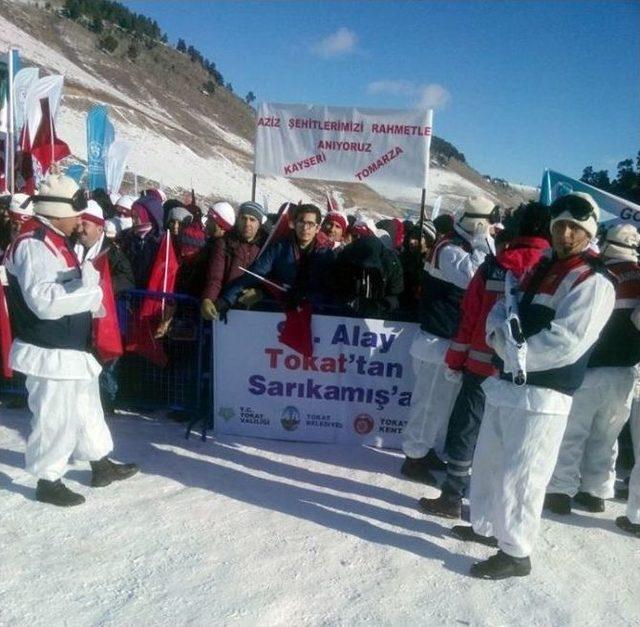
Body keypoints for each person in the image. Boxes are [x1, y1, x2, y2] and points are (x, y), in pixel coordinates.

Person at [454, 192, 615, 579]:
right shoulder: (539, 267)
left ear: (588, 232)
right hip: (507, 384)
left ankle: (516, 550)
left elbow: (568, 341)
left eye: (575, 228)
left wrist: (513, 354)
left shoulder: (594, 280)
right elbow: (501, 308)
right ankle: (489, 526)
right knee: (491, 461)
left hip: (545, 393)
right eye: (559, 225)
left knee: (523, 473)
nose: (565, 233)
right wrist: (496, 337)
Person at [4, 174, 138, 507]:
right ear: (56, 211)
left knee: (86, 408)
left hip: (70, 346)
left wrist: (86, 286)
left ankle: (99, 463)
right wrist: (91, 293)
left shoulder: (55, 239)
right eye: (76, 213)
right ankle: (48, 479)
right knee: (55, 417)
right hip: (48, 348)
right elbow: (44, 301)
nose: (81, 220)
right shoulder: (34, 244)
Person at [419, 202, 550, 517]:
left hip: (480, 366)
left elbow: (469, 317)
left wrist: (455, 359)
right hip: (528, 373)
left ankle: (452, 496)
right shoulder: (554, 270)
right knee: (509, 443)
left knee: (468, 431)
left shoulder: (493, 266)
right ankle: (494, 510)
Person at [545, 224, 640, 514]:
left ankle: (560, 491)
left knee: (572, 433)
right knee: (607, 436)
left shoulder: (596, 274)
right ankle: (596, 491)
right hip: (626, 372)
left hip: (591, 368)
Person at [400, 196, 497, 483]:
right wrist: (482, 240)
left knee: (439, 405)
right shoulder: (450, 249)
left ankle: (423, 450)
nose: (491, 229)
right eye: (488, 224)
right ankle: (413, 458)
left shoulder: (459, 245)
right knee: (428, 405)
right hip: (436, 341)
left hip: (447, 341)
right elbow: (474, 276)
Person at [216, 203, 334, 315]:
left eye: (310, 224)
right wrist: (226, 299)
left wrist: (304, 295)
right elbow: (254, 274)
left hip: (316, 315)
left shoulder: (326, 253)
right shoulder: (280, 247)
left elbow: (328, 286)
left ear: (318, 228)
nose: (305, 227)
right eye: (301, 222)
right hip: (279, 312)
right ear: (294, 223)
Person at [74, 200, 135, 414]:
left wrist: (101, 287)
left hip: (104, 322)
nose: (80, 228)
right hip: (76, 320)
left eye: (85, 225)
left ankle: (106, 404)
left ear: (99, 227)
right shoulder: (72, 245)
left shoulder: (111, 253)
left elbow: (127, 278)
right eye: (79, 223)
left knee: (105, 367)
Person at [200, 201, 268, 318]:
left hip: (260, 311)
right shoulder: (224, 242)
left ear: (259, 223)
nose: (247, 223)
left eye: (252, 219)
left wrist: (261, 292)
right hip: (227, 308)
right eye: (243, 218)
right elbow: (215, 276)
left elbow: (271, 277)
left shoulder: (267, 245)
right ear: (238, 220)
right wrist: (208, 299)